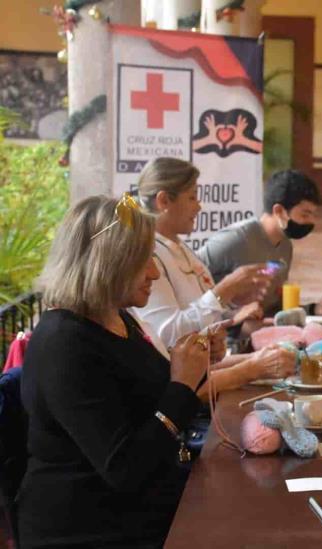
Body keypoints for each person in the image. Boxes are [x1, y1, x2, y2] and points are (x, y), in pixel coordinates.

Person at [18, 195, 207, 547]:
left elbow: (152, 397)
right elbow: (125, 469)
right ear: (109, 263)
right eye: (143, 260)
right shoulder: (66, 344)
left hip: (140, 510)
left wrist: (198, 366)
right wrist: (183, 383)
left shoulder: (117, 318)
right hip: (89, 530)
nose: (153, 272)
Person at [134, 157, 295, 389]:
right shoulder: (148, 253)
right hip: (175, 393)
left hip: (204, 379)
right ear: (163, 201)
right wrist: (225, 290)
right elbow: (166, 337)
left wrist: (232, 311)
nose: (199, 206)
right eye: (192, 197)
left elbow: (199, 317)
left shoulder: (181, 249)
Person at [198, 169, 322, 316]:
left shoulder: (285, 245)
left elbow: (274, 305)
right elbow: (188, 284)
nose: (311, 221)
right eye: (305, 214)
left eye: (314, 215)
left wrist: (314, 309)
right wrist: (233, 317)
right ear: (279, 211)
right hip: (223, 334)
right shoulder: (235, 239)